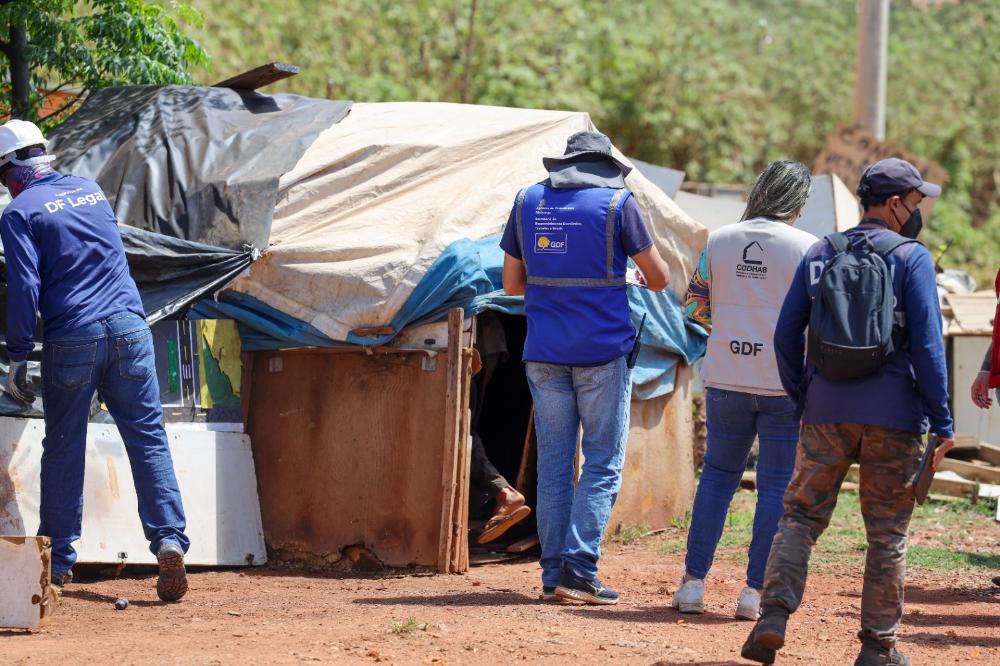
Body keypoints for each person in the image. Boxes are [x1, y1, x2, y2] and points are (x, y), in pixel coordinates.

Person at [742, 158, 955, 666]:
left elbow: (784, 334)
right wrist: (942, 422)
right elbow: (927, 346)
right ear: (895, 202)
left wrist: (804, 396)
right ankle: (878, 647)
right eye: (916, 200)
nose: (918, 209)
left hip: (825, 410)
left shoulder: (820, 251)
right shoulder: (912, 257)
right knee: (886, 534)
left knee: (799, 517)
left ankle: (772, 617)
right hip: (896, 416)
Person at [0, 119, 190, 602]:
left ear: (11, 170)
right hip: (130, 328)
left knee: (64, 446)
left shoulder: (19, 211)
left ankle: (58, 564)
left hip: (74, 337)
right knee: (147, 438)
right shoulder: (89, 190)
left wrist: (19, 354)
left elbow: (24, 288)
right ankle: (168, 540)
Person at [500, 130, 670, 605]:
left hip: (544, 354)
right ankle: (580, 566)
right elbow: (659, 280)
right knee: (601, 461)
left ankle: (553, 574)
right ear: (606, 165)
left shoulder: (527, 200)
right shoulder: (619, 204)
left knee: (554, 466)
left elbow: (512, 285)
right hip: (600, 353)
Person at [674, 161, 816, 620]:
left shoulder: (720, 240)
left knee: (717, 478)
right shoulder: (810, 248)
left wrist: (732, 328)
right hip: (783, 384)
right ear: (797, 202)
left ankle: (692, 585)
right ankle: (753, 594)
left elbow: (694, 306)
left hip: (725, 378)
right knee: (775, 487)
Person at [469, 312, 530, 545]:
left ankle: (503, 492)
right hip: (484, 337)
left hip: (474, 338)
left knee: (462, 429)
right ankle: (493, 497)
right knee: (465, 427)